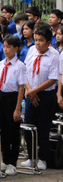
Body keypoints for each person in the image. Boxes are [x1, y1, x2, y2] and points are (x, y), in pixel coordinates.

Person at [21, 25, 59, 170]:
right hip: (30, 92)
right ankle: (31, 157)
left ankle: (43, 158)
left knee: (43, 127)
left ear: (48, 42)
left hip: (46, 94)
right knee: (29, 126)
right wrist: (30, 90)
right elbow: (25, 71)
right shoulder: (31, 51)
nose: (37, 43)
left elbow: (53, 79)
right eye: (36, 40)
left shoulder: (54, 56)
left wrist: (35, 91)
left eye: (41, 41)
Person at [0, 35, 27, 176]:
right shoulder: (1, 64)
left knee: (13, 132)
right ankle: (5, 161)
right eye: (4, 46)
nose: (5, 49)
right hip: (1, 98)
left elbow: (21, 88)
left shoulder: (20, 66)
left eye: (8, 47)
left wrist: (17, 108)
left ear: (16, 48)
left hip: (13, 98)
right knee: (3, 131)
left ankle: (13, 162)